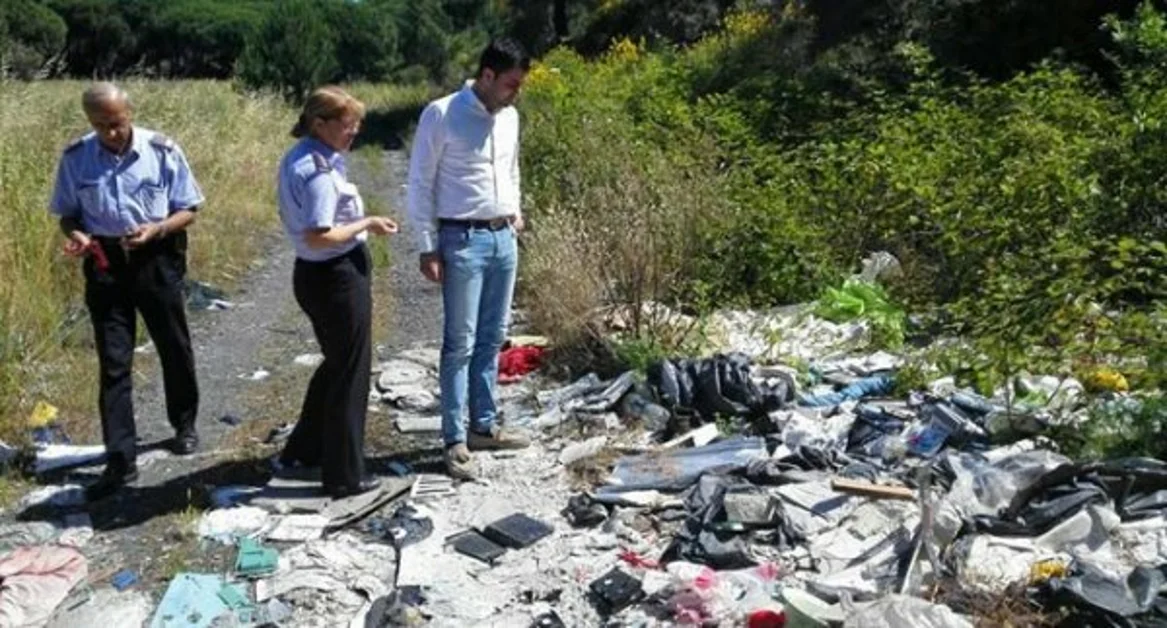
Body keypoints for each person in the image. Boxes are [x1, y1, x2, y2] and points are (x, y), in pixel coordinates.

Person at [49, 83, 204, 501]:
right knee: (113, 361)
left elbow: (189, 208)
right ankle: (120, 457)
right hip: (104, 263)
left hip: (155, 257)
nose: (111, 133)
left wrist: (158, 229)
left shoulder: (163, 151)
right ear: (89, 122)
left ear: (129, 113)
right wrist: (79, 235)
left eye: (116, 124)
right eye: (101, 126)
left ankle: (184, 423)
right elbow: (67, 215)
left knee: (173, 345)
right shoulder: (76, 158)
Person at [406, 39, 533, 479]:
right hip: (461, 239)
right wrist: (427, 244)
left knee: (492, 337)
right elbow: (420, 183)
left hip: (503, 238)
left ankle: (484, 425)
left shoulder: (510, 117)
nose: (515, 93)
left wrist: (516, 213)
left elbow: (511, 168)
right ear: (487, 76)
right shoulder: (442, 114)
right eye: (511, 84)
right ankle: (454, 439)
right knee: (458, 341)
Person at [276, 86, 399, 498]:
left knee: (336, 365)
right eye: (348, 125)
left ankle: (304, 449)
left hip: (319, 275)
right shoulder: (317, 172)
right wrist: (367, 224)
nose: (355, 132)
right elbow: (321, 234)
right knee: (350, 373)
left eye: (356, 124)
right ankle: (344, 474)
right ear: (320, 123)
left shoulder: (312, 158)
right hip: (334, 275)